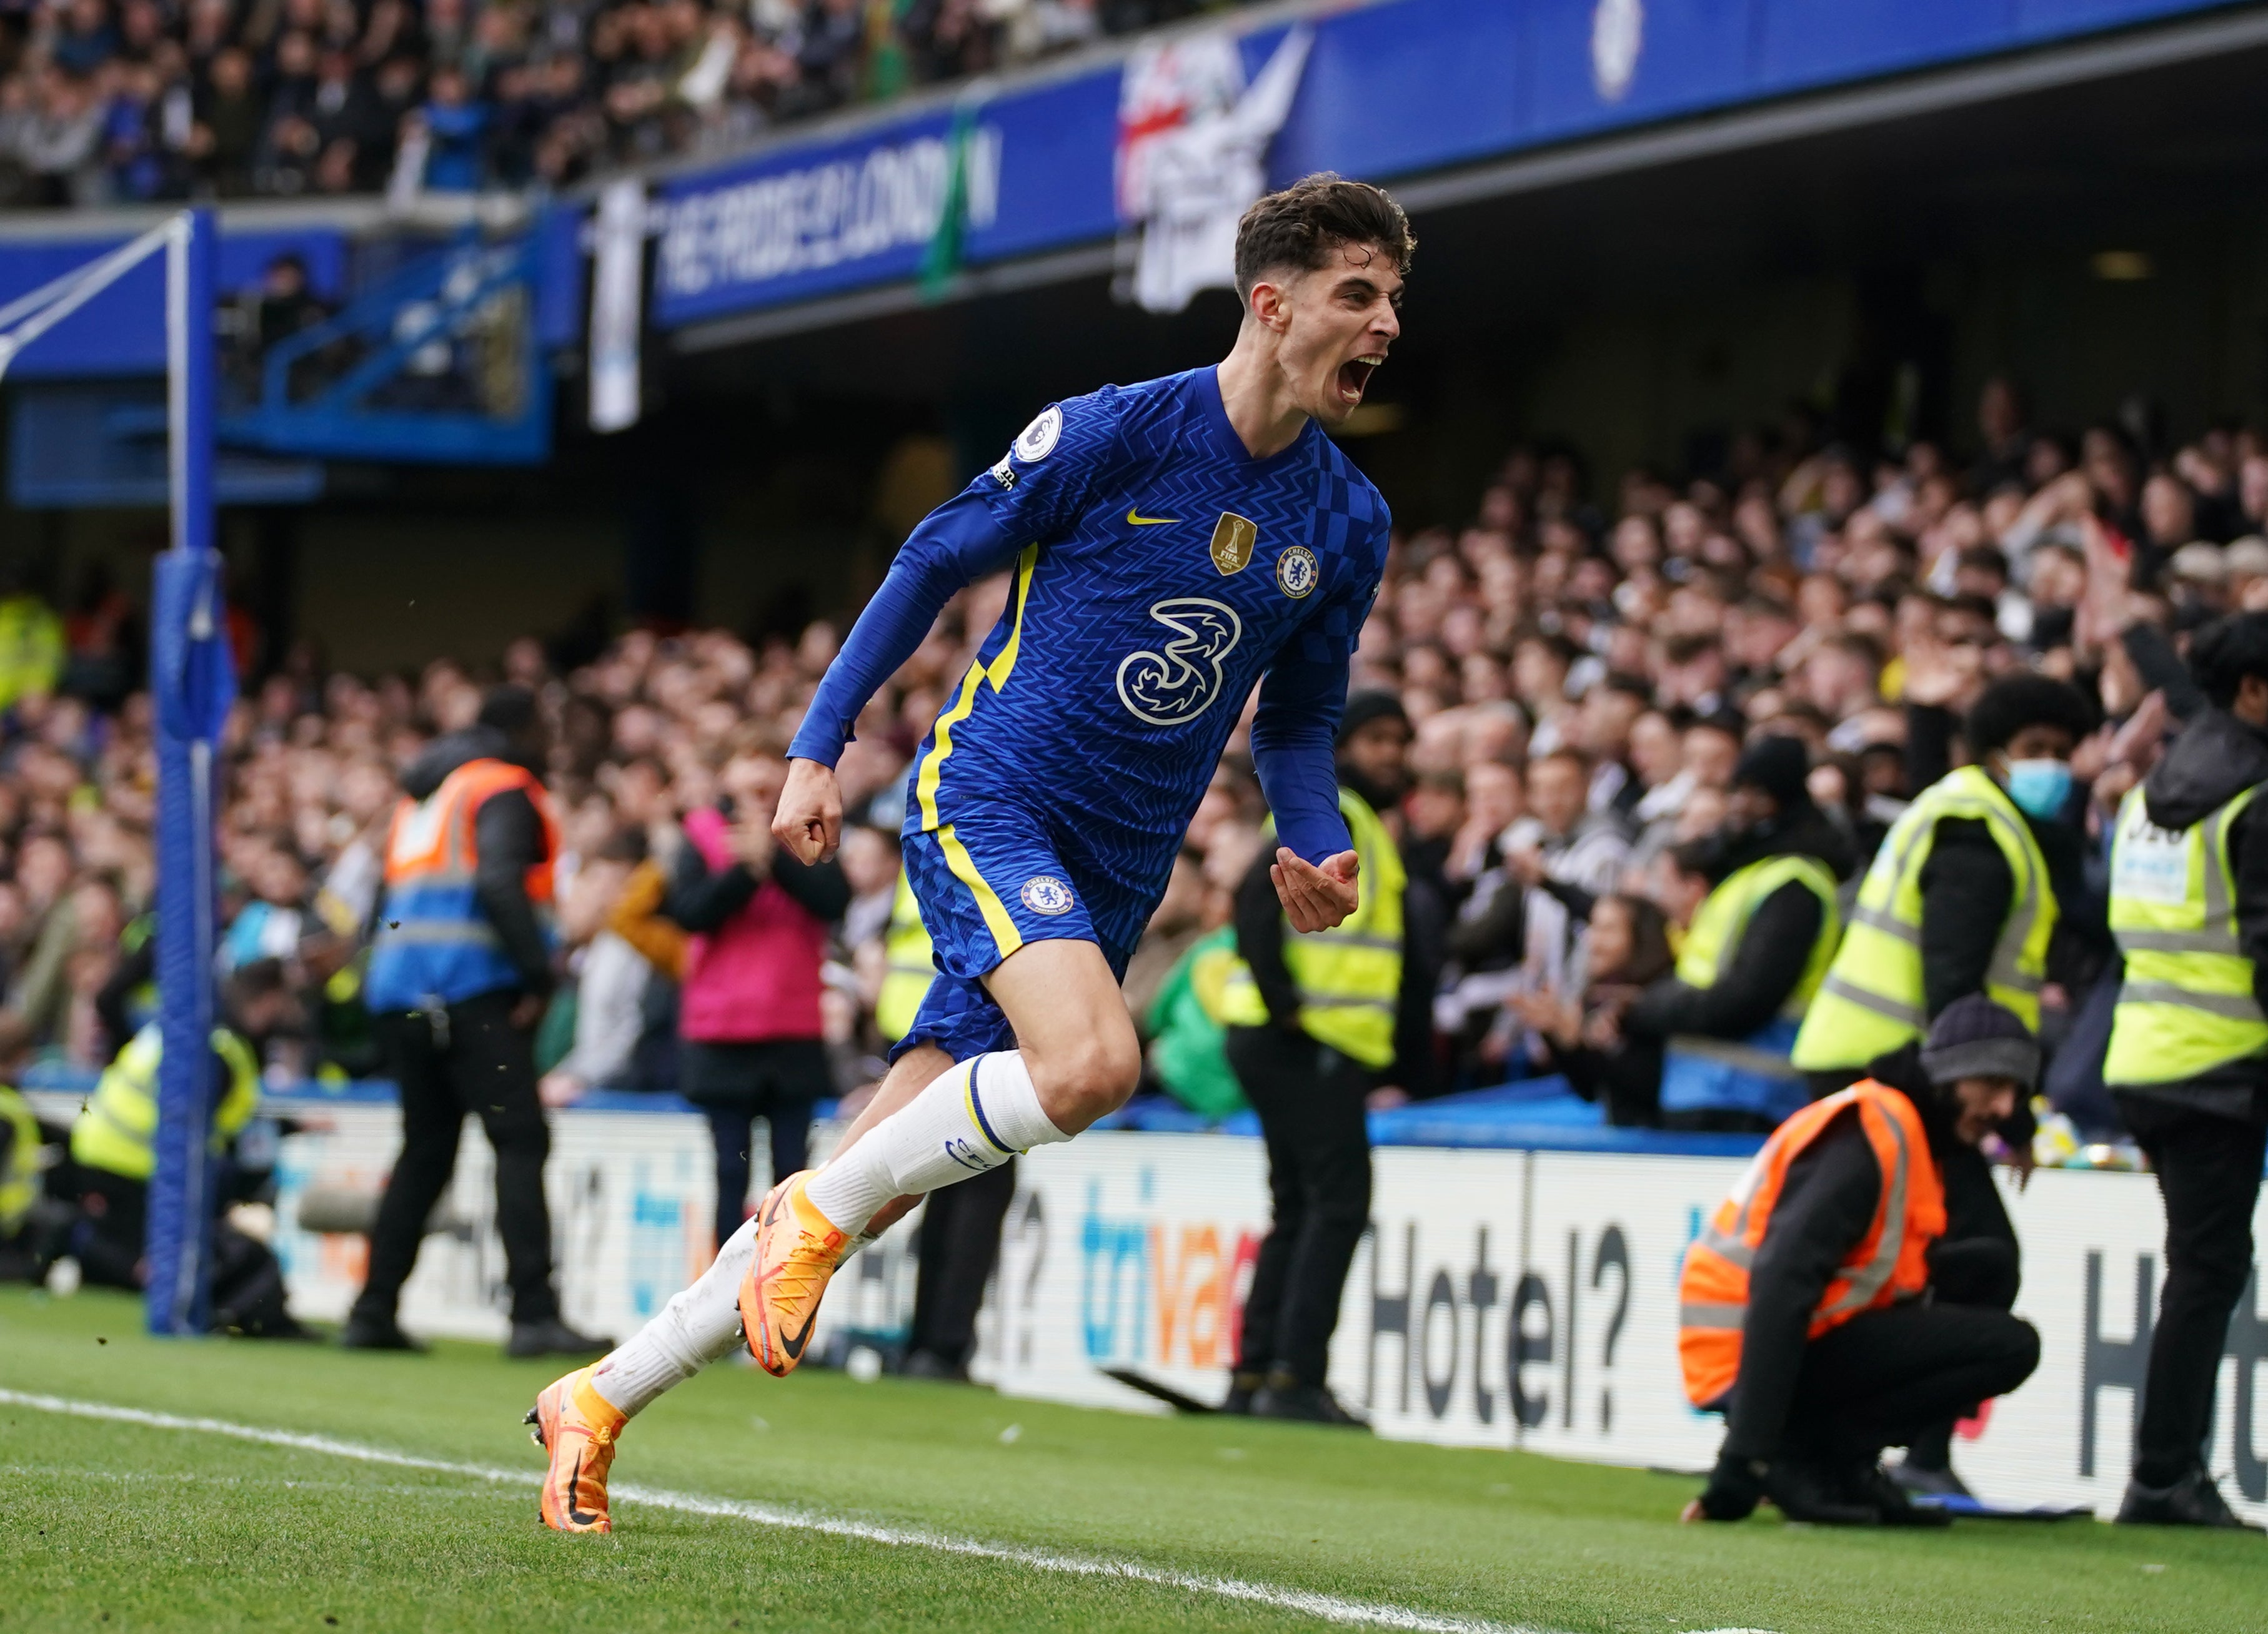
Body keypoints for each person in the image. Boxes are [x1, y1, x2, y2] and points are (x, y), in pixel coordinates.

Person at [527, 173, 1411, 1531]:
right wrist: (820, 745)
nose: (1388, 322)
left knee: (855, 1190)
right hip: (990, 797)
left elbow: (1297, 712)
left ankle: (600, 1398)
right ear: (1273, 302)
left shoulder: (1347, 520)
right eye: (1361, 293)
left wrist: (1313, 837)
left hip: (1116, 867)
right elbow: (937, 556)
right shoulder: (1122, 433)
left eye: (1397, 298)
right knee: (1095, 1064)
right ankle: (810, 1225)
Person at [1679, 999, 2044, 1527]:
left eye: (2017, 1094)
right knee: (2009, 1344)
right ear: (1947, 1076)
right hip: (1744, 1353)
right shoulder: (1873, 1132)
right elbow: (1784, 1280)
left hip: (1799, 1341)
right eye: (1992, 1086)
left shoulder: (1917, 1131)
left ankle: (1838, 1459)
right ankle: (1799, 1456)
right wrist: (1743, 1460)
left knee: (1989, 1271)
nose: (2005, 1107)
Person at [347, 685, 607, 1360]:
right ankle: (532, 1315)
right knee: (519, 1139)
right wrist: (538, 974)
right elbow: (498, 884)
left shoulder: (424, 795)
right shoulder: (503, 786)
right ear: (521, 731)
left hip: (400, 991)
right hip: (466, 988)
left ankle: (373, 1309)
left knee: (426, 1148)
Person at [2101, 612, 2268, 1530]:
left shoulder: (2154, 786)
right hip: (2219, 1065)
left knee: (2198, 1270)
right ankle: (2162, 1478)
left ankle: (2164, 1473)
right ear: (2252, 691)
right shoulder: (2257, 792)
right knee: (2207, 1272)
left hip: (2144, 1054)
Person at [1216, 690, 1412, 1424]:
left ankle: (1258, 1373)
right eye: (1378, 739)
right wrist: (1289, 1011)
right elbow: (1250, 906)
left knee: (1298, 1206)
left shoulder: (1352, 821)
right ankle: (1295, 1377)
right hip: (1304, 1041)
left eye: (1401, 741)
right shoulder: (1337, 819)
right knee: (1335, 1204)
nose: (1393, 754)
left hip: (1286, 1038)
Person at [1792, 673, 2092, 1092]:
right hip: (1892, 1067)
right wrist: (2001, 1103)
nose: (2051, 766)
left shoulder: (1975, 813)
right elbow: (1953, 979)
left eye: (2062, 753)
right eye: (2034, 749)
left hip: (1883, 1059)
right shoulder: (1976, 836)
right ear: (1995, 755)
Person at [667, 727, 847, 1255]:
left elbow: (833, 900)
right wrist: (747, 873)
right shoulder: (700, 833)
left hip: (791, 1026)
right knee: (728, 1171)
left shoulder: (813, 833)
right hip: (722, 1030)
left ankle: (780, 1299)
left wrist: (770, 860)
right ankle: (723, 1306)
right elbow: (691, 913)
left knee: (792, 1178)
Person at [61, 960, 302, 1335]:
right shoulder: (222, 1052)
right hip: (137, 1163)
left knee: (126, 1254)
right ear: (266, 1002)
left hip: (102, 1149)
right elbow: (198, 1129)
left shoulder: (189, 1033)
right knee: (162, 1259)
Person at [1623, 736, 1851, 1132]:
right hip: (1704, 1089)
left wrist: (1647, 1010)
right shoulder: (1750, 874)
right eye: (1739, 791)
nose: (1741, 806)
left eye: (1756, 794)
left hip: (1750, 1099)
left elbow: (1747, 998)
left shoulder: (1794, 884)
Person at [1510, 892, 1674, 1127]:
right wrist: (1567, 1042)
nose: (1593, 941)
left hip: (1670, 1147)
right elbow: (1592, 1090)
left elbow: (1649, 1088)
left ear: (1641, 937)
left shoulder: (1663, 1000)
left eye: (1608, 930)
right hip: (1621, 1140)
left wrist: (1610, 1044)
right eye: (1593, 927)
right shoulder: (1599, 997)